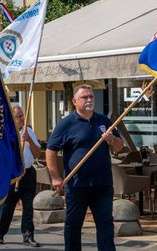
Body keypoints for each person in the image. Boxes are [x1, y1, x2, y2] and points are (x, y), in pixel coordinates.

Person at [46, 85, 124, 251]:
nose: (89, 100)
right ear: (75, 101)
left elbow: (119, 147)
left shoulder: (104, 121)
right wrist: (55, 177)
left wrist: (111, 139)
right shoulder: (66, 124)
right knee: (73, 225)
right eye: (85, 97)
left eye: (91, 97)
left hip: (102, 185)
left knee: (105, 224)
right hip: (76, 185)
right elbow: (50, 150)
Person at [0, 105, 41, 247]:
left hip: (28, 173)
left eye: (22, 115)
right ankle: (0, 233)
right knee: (8, 207)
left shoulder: (28, 130)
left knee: (28, 207)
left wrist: (28, 139)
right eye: (19, 116)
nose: (22, 118)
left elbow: (37, 153)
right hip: (12, 174)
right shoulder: (5, 132)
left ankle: (28, 236)